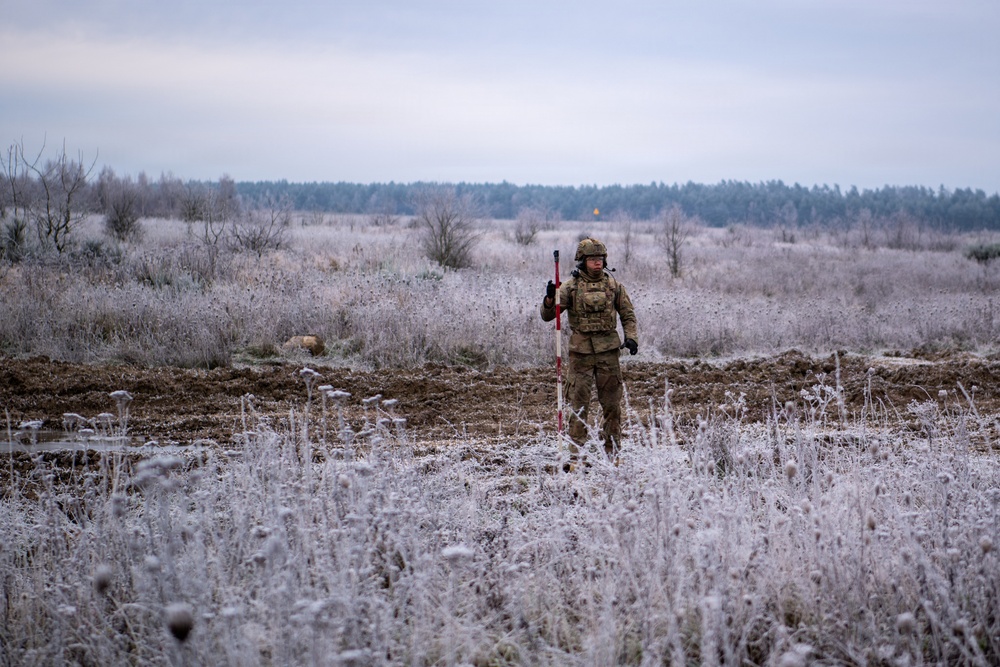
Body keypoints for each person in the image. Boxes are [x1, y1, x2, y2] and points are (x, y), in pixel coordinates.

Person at [541, 237, 638, 463]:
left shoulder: (614, 286)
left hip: (608, 354)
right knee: (579, 406)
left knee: (612, 406)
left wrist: (631, 337)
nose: (597, 263)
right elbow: (548, 316)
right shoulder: (571, 287)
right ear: (582, 261)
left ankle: (613, 453)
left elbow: (628, 314)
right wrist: (549, 298)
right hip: (581, 356)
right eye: (592, 259)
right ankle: (576, 455)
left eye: (600, 259)